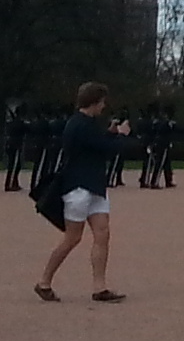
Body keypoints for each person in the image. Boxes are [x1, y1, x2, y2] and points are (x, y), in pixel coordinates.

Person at [36, 83, 135, 302]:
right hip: (79, 188)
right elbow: (106, 149)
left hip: (94, 187)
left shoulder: (84, 123)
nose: (103, 106)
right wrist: (121, 135)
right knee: (72, 238)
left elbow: (97, 146)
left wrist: (110, 134)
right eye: (102, 102)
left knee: (102, 234)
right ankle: (44, 281)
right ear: (94, 101)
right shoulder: (80, 125)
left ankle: (99, 287)